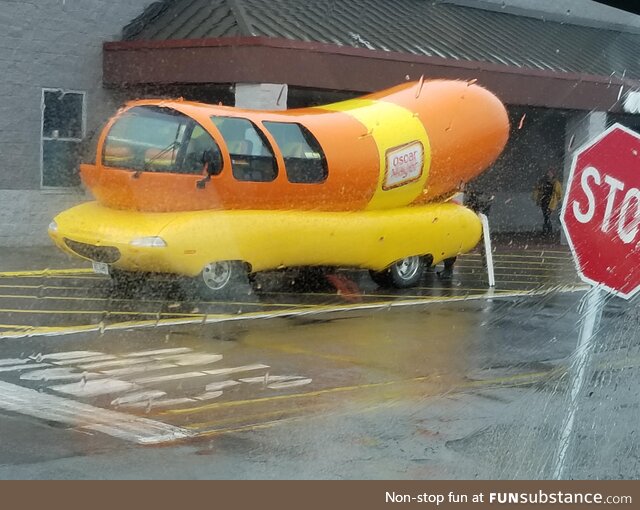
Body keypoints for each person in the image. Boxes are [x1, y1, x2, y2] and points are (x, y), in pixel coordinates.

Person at [533, 168, 563, 235]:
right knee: (546, 216)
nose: (549, 174)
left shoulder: (555, 182)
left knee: (547, 216)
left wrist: (559, 200)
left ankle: (547, 230)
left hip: (550, 202)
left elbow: (559, 193)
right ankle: (548, 230)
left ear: (553, 174)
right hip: (544, 201)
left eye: (550, 173)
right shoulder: (544, 182)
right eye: (548, 173)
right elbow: (539, 189)